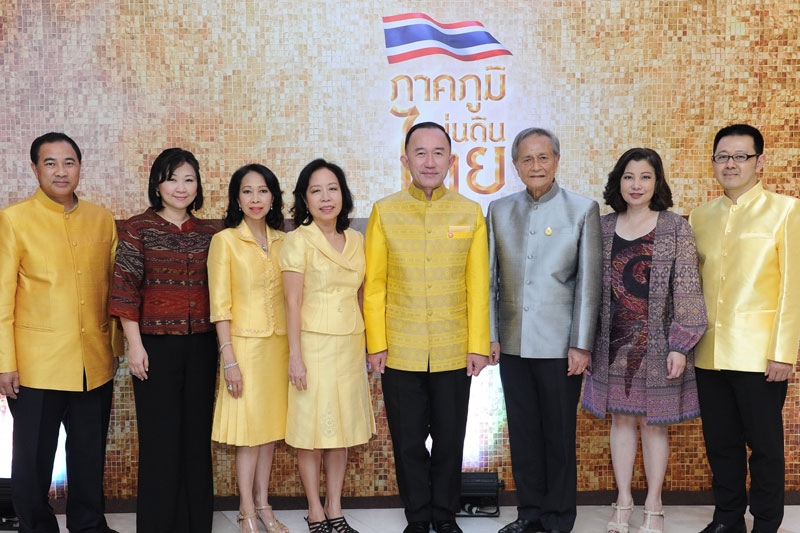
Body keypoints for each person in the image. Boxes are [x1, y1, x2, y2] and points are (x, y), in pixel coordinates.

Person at [364, 122, 490, 533]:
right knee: (408, 440)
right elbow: (376, 285)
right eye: (421, 153)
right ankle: (418, 516)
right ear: (406, 160)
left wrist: (477, 344)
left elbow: (477, 286)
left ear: (452, 161)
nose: (430, 161)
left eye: (439, 153)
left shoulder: (469, 212)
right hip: (400, 347)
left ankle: (444, 513)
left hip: (455, 346)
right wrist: (376, 342)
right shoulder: (385, 211)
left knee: (452, 439)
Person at [0, 132, 122, 533]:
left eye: (69, 162)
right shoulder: (13, 220)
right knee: (33, 458)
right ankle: (36, 527)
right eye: (50, 163)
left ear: (80, 167)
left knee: (89, 454)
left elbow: (115, 291)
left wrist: (117, 348)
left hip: (94, 361)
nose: (60, 170)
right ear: (34, 168)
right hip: (37, 365)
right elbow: (2, 298)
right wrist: (5, 363)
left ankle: (89, 525)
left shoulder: (101, 219)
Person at [582, 148, 707, 533]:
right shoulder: (600, 228)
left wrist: (680, 344)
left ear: (658, 182)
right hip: (610, 345)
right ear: (618, 182)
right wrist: (584, 342)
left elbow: (688, 287)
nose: (637, 185)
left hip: (659, 345)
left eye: (646, 177)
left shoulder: (675, 227)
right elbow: (586, 291)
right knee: (619, 420)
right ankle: (622, 500)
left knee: (655, 425)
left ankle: (654, 504)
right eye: (629, 177)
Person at [487, 127, 601, 533]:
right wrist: (491, 334)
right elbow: (491, 279)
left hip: (559, 347)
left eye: (543, 157)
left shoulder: (581, 209)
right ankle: (529, 514)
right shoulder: (499, 210)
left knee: (558, 437)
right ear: (515, 165)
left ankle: (558, 519)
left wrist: (581, 344)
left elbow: (589, 284)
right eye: (527, 159)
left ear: (556, 160)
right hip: (513, 343)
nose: (536, 165)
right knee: (523, 436)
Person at [689, 124, 800, 533]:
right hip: (709, 351)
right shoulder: (700, 216)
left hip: (759, 354)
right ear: (714, 162)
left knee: (765, 447)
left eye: (740, 156)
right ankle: (728, 519)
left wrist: (783, 352)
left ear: (760, 162)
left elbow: (793, 287)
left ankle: (767, 522)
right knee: (721, 444)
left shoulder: (787, 209)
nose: (730, 164)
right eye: (723, 156)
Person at [110, 148, 218, 533]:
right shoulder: (138, 228)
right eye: (172, 178)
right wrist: (134, 345)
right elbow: (124, 290)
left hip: (203, 347)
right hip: (154, 347)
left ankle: (195, 524)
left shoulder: (210, 233)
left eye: (189, 179)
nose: (181, 187)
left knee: (196, 439)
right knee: (159, 440)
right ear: (158, 183)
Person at [279, 158, 375, 533]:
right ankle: (314, 510)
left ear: (343, 194)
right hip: (313, 346)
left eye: (332, 188)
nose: (325, 197)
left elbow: (364, 294)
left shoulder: (357, 240)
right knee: (312, 431)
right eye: (315, 190)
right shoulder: (297, 240)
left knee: (343, 431)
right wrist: (295, 357)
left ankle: (335, 508)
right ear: (304, 198)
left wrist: (371, 346)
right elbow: (291, 302)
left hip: (350, 344)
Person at [208, 164, 290, 533]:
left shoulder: (284, 241)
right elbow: (219, 305)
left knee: (269, 431)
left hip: (279, 348)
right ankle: (245, 511)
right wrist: (229, 360)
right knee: (247, 434)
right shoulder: (225, 241)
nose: (255, 198)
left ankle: (264, 504)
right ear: (236, 198)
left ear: (273, 196)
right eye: (247, 191)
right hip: (243, 347)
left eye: (262, 191)